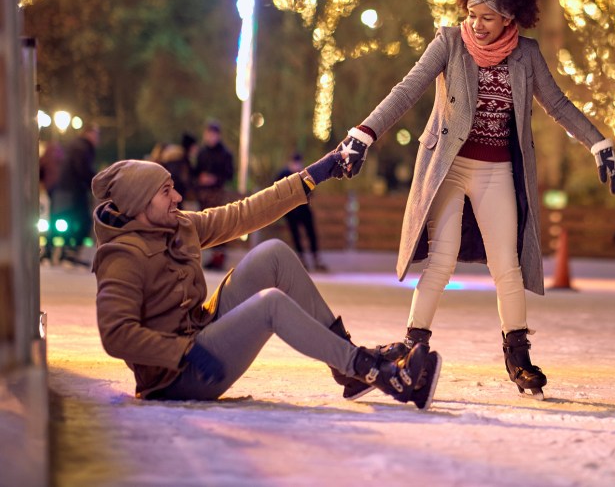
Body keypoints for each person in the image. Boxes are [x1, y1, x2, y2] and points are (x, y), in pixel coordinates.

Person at [336, 0, 615, 398]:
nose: (478, 24)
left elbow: (559, 105)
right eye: (472, 14)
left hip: (497, 171)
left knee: (506, 264)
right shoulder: (450, 43)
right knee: (441, 260)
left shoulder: (526, 55)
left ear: (510, 17)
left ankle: (518, 355)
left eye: (487, 17)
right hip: (449, 169)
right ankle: (414, 347)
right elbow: (407, 90)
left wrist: (599, 144)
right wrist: (364, 133)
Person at [90, 156, 440, 409]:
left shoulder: (178, 224)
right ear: (139, 202)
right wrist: (183, 352)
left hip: (199, 333)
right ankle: (375, 372)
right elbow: (116, 334)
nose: (178, 197)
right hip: (178, 375)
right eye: (167, 191)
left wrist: (309, 178)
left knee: (273, 253)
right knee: (269, 304)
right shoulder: (121, 257)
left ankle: (346, 367)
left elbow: (243, 214)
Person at [50, 124, 100, 259]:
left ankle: (58, 252)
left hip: (65, 188)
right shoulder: (82, 147)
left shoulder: (76, 145)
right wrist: (96, 183)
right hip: (74, 190)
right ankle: (70, 252)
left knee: (64, 219)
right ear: (88, 134)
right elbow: (83, 169)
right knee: (83, 221)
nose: (97, 139)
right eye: (96, 135)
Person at [275, 152, 326, 272]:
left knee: (311, 232)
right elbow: (276, 190)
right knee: (296, 235)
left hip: (304, 208)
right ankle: (302, 258)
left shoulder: (303, 174)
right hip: (291, 211)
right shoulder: (284, 174)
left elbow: (311, 190)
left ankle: (315, 257)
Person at [194, 120, 235, 268]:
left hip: (218, 194)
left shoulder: (225, 153)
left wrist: (215, 178)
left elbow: (230, 174)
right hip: (203, 195)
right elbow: (196, 171)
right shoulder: (202, 152)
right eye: (208, 134)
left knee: (219, 224)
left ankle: (219, 259)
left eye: (213, 134)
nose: (210, 137)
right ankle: (207, 257)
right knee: (204, 225)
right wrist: (201, 178)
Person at [159, 132, 197, 207]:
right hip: (176, 194)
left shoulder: (178, 157)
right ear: (190, 146)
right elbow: (180, 180)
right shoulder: (182, 160)